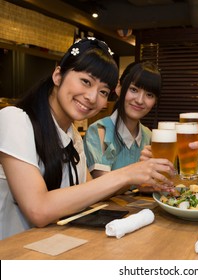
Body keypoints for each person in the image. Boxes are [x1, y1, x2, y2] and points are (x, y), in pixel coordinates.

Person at [0, 38, 174, 240]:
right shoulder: (14, 119)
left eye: (103, 92)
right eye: (86, 81)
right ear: (58, 75)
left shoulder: (73, 136)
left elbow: (90, 193)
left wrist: (140, 179)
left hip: (54, 248)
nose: (92, 97)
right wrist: (128, 174)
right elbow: (38, 209)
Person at [83, 61, 160, 178]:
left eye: (149, 95)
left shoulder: (149, 136)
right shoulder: (99, 131)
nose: (140, 100)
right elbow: (102, 185)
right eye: (134, 89)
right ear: (119, 87)